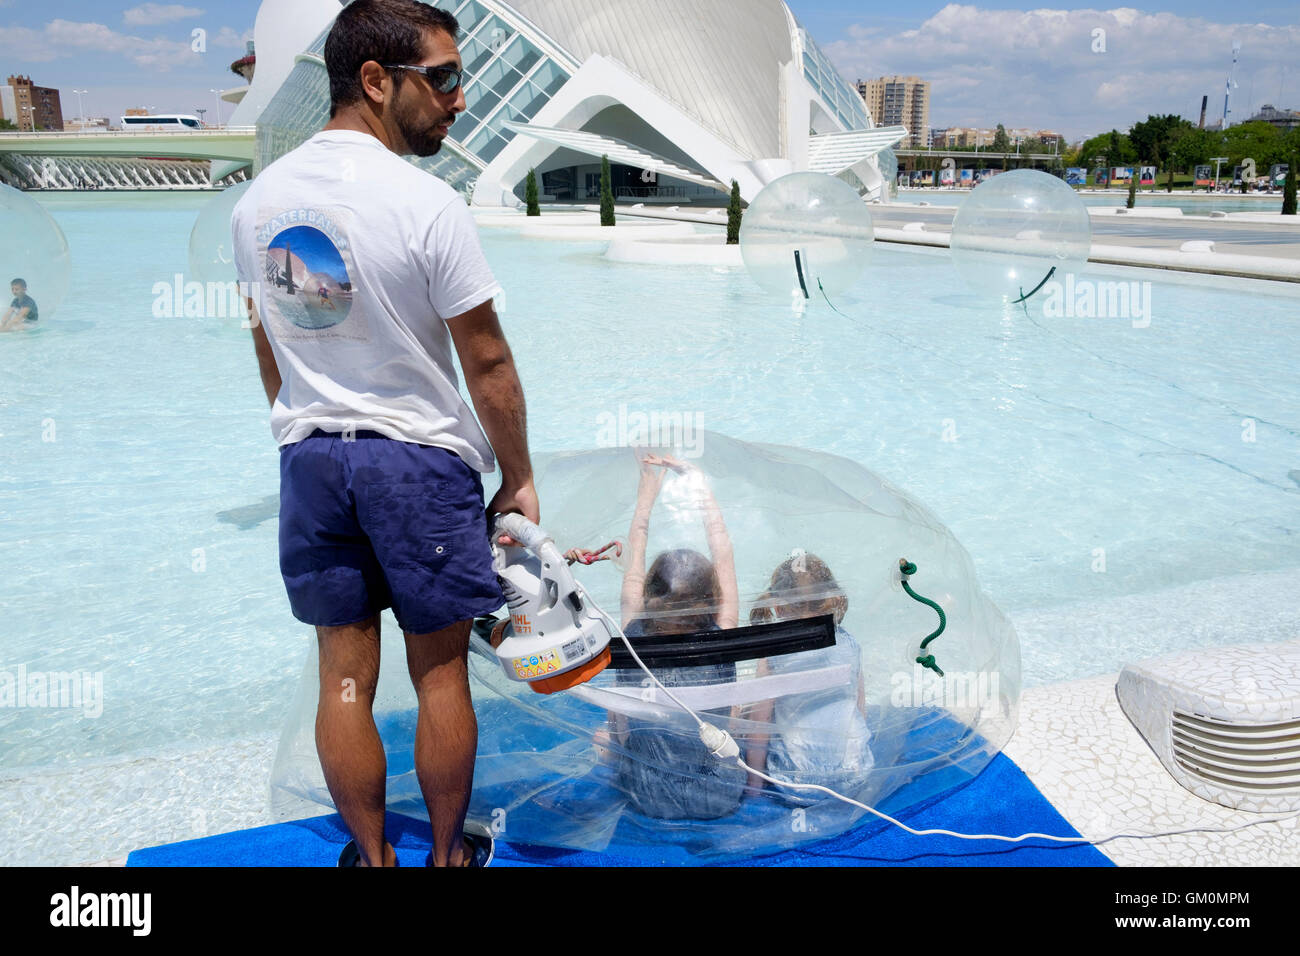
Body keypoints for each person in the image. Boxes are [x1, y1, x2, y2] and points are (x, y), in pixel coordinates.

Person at [231, 0, 536, 868]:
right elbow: (487, 361)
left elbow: (268, 346)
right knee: (438, 674)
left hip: (313, 460)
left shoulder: (257, 204)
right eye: (441, 77)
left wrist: (297, 442)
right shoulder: (426, 203)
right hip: (417, 464)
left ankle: (372, 859)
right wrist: (517, 477)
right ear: (374, 79)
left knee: (345, 677)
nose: (460, 97)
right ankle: (446, 859)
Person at [604, 452, 748, 820]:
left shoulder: (633, 636)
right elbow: (724, 553)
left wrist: (646, 497)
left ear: (649, 596)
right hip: (718, 796)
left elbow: (634, 556)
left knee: (603, 737)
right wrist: (699, 484)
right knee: (735, 718)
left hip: (649, 798)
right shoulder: (725, 635)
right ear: (711, 600)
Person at [743, 553, 873, 798]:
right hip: (854, 776)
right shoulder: (849, 643)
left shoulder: (773, 653)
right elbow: (859, 708)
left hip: (799, 783)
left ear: (778, 606)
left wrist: (753, 789)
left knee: (744, 726)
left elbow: (759, 727)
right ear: (829, 600)